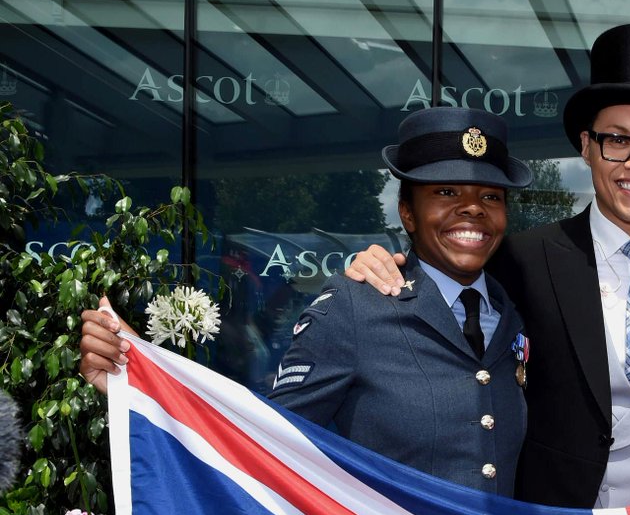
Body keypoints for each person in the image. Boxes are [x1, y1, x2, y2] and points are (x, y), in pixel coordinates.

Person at [347, 23, 630, 509]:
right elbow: (449, 302)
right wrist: (380, 264)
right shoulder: (524, 259)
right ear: (586, 146)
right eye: (617, 140)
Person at [79, 106, 533, 495]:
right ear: (407, 213)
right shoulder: (358, 306)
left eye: (490, 196)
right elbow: (267, 439)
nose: (473, 208)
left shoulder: (513, 311)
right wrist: (144, 382)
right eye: (446, 192)